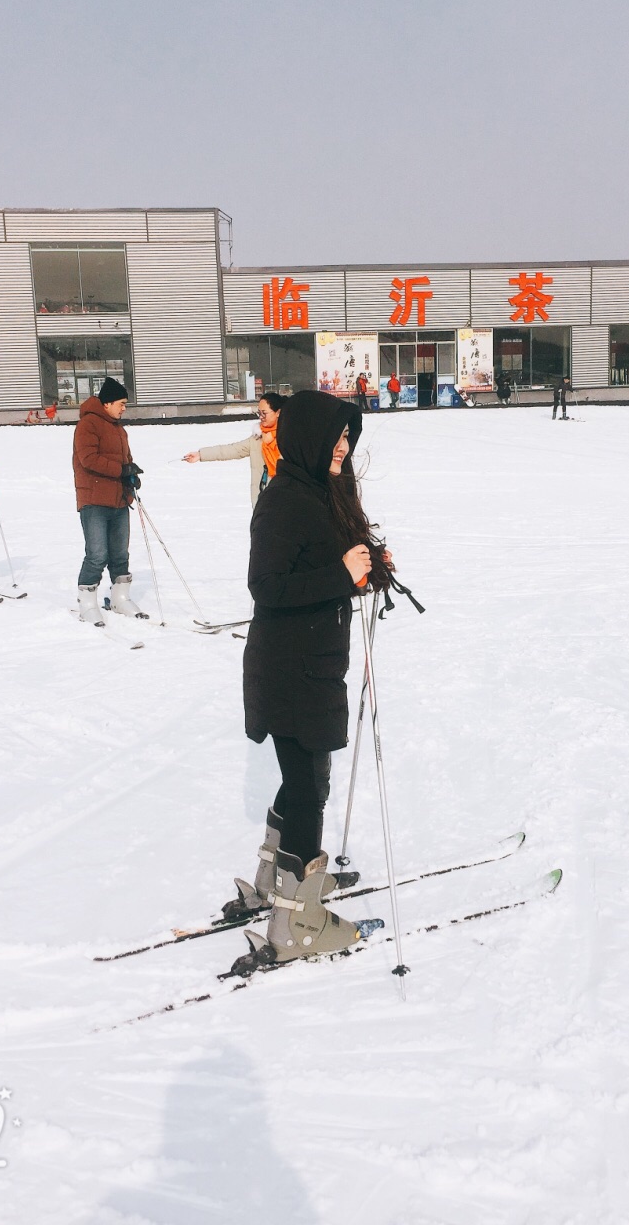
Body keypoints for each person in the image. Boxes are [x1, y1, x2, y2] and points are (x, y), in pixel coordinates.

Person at [225, 390, 396, 971]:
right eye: (334, 435)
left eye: (349, 437)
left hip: (314, 664)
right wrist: (340, 574)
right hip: (289, 667)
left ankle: (274, 883)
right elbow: (267, 587)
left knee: (304, 780)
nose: (343, 446)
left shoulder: (323, 494)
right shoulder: (283, 501)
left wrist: (370, 564)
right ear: (305, 437)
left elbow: (330, 564)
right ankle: (296, 923)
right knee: (306, 788)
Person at [72, 377, 146, 625]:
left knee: (119, 554)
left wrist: (131, 475)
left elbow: (125, 460)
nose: (124, 408)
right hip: (94, 500)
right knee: (97, 554)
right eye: (121, 403)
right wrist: (121, 469)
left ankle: (120, 597)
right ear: (107, 403)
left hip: (118, 499)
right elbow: (88, 459)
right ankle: (87, 603)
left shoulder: (118, 428)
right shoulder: (88, 424)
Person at [182, 393, 284, 507]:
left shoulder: (289, 440)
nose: (261, 417)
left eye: (264, 413)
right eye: (259, 413)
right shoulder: (256, 439)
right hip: (263, 503)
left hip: (286, 500)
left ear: (278, 413)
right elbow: (231, 450)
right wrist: (201, 455)